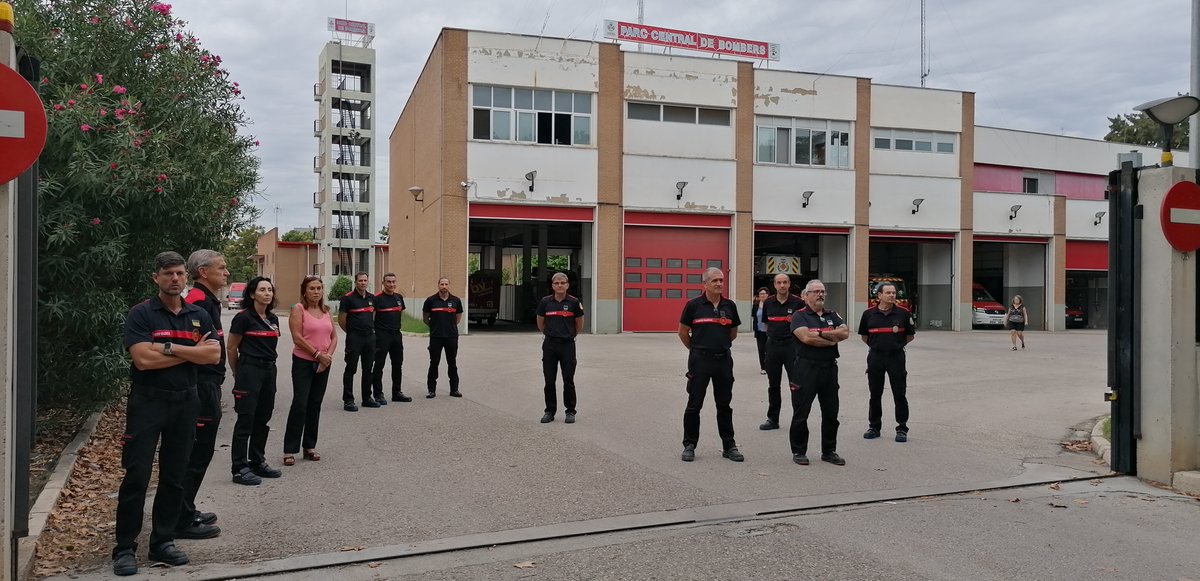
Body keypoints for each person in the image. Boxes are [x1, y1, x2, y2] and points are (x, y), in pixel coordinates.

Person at [112, 251, 220, 576]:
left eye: (179, 273)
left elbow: (213, 356)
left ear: (187, 277)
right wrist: (192, 353)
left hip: (186, 403)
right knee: (137, 475)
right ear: (156, 278)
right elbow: (143, 360)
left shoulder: (199, 314)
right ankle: (124, 549)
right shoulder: (142, 314)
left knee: (175, 476)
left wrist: (169, 348)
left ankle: (163, 541)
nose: (175, 279)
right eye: (168, 274)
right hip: (148, 403)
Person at [174, 250, 225, 540]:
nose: (226, 272)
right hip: (200, 384)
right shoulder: (196, 300)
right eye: (222, 267)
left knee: (201, 453)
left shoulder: (208, 300)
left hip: (208, 384)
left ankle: (186, 508)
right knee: (195, 453)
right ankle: (180, 518)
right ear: (203, 272)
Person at [678, 267, 744, 463]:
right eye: (714, 280)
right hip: (700, 361)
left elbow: (732, 333)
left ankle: (729, 446)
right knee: (694, 404)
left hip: (723, 361)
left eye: (721, 280)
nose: (719, 284)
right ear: (705, 283)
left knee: (724, 405)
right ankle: (689, 444)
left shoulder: (730, 306)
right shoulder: (693, 305)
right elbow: (683, 332)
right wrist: (696, 349)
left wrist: (720, 346)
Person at [226, 277, 283, 486]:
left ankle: (257, 461)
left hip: (269, 371)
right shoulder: (243, 318)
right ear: (252, 295)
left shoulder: (273, 319)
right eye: (262, 290)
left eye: (270, 289)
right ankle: (239, 467)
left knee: (263, 418)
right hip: (249, 370)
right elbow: (231, 348)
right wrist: (237, 372)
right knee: (245, 420)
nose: (267, 293)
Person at [789, 279, 848, 466]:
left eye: (822, 291)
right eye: (816, 291)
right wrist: (831, 337)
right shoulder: (799, 316)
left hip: (829, 368)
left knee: (831, 412)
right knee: (801, 412)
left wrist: (820, 334)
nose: (820, 294)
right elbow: (806, 338)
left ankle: (829, 451)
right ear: (806, 296)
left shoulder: (833, 314)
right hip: (806, 368)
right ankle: (799, 451)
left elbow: (845, 333)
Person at [284, 276, 337, 465]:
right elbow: (297, 338)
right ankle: (290, 449)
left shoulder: (326, 311)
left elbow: (334, 337)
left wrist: (327, 357)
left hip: (324, 363)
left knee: (315, 404)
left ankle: (309, 446)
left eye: (319, 288)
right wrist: (317, 355)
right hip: (303, 362)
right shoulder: (298, 309)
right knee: (300, 403)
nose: (316, 291)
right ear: (305, 291)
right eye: (312, 288)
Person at [858, 282, 916, 443]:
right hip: (876, 357)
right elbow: (864, 336)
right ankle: (874, 427)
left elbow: (910, 336)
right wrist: (878, 347)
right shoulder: (868, 314)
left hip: (896, 358)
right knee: (875, 394)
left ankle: (902, 428)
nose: (892, 295)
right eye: (888, 293)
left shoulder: (903, 313)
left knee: (900, 394)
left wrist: (895, 346)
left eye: (893, 293)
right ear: (879, 296)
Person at [536, 272, 585, 423]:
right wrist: (551, 334)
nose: (560, 285)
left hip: (567, 346)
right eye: (556, 283)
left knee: (568, 379)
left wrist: (568, 335)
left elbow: (579, 324)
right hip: (550, 345)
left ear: (567, 285)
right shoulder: (545, 302)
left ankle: (570, 411)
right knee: (549, 380)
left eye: (562, 283)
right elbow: (540, 323)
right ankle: (549, 411)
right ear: (552, 285)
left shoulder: (574, 303)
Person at [759, 275, 805, 431]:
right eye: (779, 283)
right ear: (774, 285)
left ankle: (798, 419)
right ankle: (773, 419)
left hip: (791, 347)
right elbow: (766, 324)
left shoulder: (798, 303)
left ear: (789, 284)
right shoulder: (768, 302)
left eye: (785, 282)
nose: (782, 285)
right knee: (773, 385)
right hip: (772, 347)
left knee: (796, 384)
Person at [372, 272, 413, 403]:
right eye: (388, 282)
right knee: (379, 365)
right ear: (383, 283)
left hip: (396, 336)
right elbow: (371, 318)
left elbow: (400, 314)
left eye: (393, 282)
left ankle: (397, 393)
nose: (391, 284)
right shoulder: (376, 298)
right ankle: (378, 394)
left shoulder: (399, 297)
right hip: (381, 336)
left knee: (397, 365)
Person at [339, 272, 376, 410]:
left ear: (368, 282)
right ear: (355, 282)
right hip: (354, 338)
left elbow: (373, 315)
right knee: (350, 369)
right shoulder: (347, 299)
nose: (363, 283)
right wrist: (351, 333)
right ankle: (348, 400)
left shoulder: (372, 298)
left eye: (365, 280)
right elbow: (342, 319)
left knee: (368, 369)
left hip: (369, 338)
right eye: (360, 280)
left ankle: (367, 398)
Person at [423, 277, 463, 398]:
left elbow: (458, 318)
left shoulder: (456, 300)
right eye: (442, 284)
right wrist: (435, 326)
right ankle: (431, 390)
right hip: (436, 337)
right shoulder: (430, 300)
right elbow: (425, 319)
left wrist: (449, 327)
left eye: (446, 284)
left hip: (451, 337)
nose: (444, 286)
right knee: (434, 363)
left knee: (452, 363)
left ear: (449, 285)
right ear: (438, 285)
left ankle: (454, 389)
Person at [750, 287, 769, 375]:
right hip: (759, 331)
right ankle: (763, 367)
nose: (762, 295)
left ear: (767, 295)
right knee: (761, 349)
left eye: (764, 294)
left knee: (769, 350)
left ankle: (770, 366)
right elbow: (754, 317)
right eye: (761, 294)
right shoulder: (756, 305)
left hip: (769, 331)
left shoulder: (770, 304)